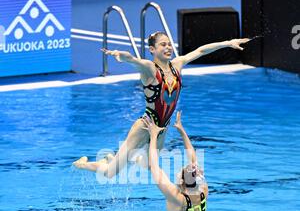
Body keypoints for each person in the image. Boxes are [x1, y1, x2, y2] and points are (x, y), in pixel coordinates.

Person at [73, 32, 250, 177]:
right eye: (163, 45)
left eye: (169, 44)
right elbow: (135, 60)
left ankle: (118, 158)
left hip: (161, 128)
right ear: (152, 49)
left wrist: (227, 42)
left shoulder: (177, 65)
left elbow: (201, 51)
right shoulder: (150, 69)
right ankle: (85, 165)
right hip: (146, 125)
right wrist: (124, 57)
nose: (168, 47)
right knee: (110, 174)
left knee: (149, 166)